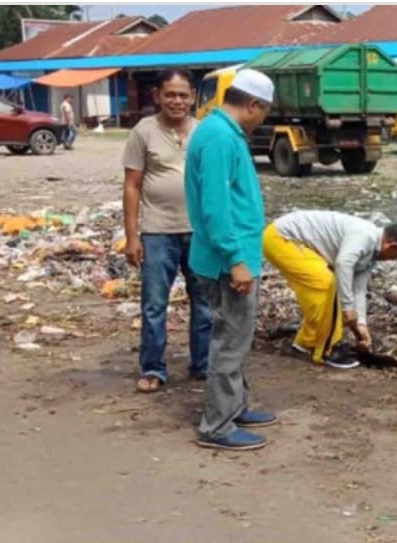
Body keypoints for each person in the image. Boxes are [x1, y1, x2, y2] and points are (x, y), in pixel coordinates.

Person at [184, 69, 276, 451]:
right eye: (264, 111)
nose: (263, 118)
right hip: (227, 260)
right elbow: (216, 207)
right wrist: (236, 259)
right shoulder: (220, 137)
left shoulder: (219, 132)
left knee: (236, 338)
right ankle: (216, 425)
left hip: (231, 255)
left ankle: (235, 406)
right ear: (252, 104)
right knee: (229, 341)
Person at [123, 69, 211, 393]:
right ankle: (153, 368)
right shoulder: (143, 132)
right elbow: (132, 186)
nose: (177, 101)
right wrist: (132, 236)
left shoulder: (203, 132)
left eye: (183, 95)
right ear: (157, 95)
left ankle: (202, 365)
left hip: (199, 233)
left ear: (192, 98)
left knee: (204, 303)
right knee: (154, 304)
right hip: (158, 232)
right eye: (170, 94)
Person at [263, 210, 397, 369]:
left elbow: (358, 289)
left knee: (328, 295)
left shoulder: (370, 256)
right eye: (395, 256)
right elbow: (343, 264)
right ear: (392, 245)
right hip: (281, 238)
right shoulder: (364, 236)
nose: (391, 260)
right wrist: (348, 308)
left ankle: (304, 344)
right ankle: (327, 350)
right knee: (327, 284)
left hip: (295, 244)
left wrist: (361, 325)